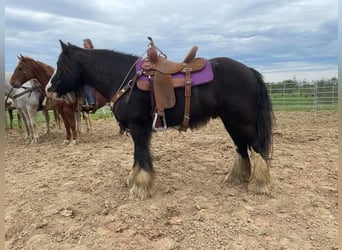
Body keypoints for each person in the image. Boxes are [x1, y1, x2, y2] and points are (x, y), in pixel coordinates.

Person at [82, 38, 95, 112]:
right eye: (84, 44)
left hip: (91, 74)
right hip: (85, 73)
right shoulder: (83, 53)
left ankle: (91, 103)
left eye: (86, 44)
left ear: (90, 45)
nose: (84, 46)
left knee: (85, 85)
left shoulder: (92, 53)